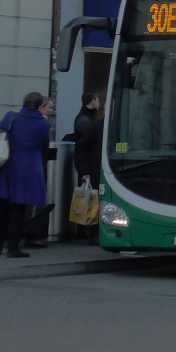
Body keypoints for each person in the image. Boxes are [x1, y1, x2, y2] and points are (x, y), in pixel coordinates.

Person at [0, 92, 51, 258]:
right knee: (18, 211)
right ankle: (13, 247)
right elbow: (44, 147)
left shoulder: (10, 117)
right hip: (26, 171)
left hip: (4, 168)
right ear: (39, 106)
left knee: (2, 209)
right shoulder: (43, 125)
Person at [72, 91, 102, 240]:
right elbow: (82, 149)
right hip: (90, 168)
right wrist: (84, 171)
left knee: (89, 198)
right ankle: (89, 232)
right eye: (98, 100)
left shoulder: (88, 120)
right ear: (92, 101)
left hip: (89, 168)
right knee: (91, 198)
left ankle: (86, 230)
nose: (100, 103)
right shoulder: (88, 122)